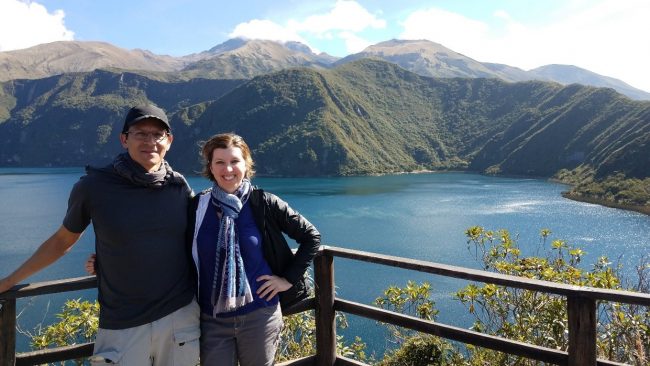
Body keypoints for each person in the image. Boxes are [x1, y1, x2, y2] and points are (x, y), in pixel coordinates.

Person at [0, 104, 200, 366]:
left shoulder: (179, 187)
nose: (150, 141)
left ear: (169, 141)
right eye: (140, 133)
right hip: (122, 324)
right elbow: (62, 241)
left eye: (158, 134)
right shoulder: (94, 187)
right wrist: (10, 281)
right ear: (124, 139)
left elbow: (200, 239)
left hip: (179, 317)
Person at [190, 133, 320, 366]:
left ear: (246, 164)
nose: (227, 169)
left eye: (234, 161)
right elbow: (167, 241)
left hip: (259, 316)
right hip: (212, 319)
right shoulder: (197, 207)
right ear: (210, 167)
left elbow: (311, 237)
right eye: (220, 162)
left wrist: (287, 279)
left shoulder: (263, 203)